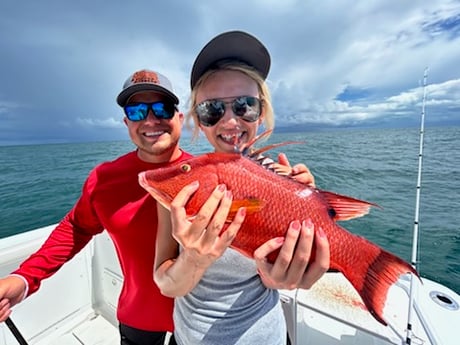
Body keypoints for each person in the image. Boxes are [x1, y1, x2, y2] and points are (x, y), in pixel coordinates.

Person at [153, 31, 330, 345]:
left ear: (261, 112)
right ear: (198, 120)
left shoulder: (285, 184)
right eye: (212, 110)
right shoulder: (181, 185)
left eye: (245, 106)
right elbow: (167, 285)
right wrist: (193, 259)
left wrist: (310, 212)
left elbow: (273, 278)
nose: (231, 122)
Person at [0, 69, 191, 345]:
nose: (151, 119)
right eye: (137, 111)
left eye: (162, 108)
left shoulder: (205, 175)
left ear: (179, 118)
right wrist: (25, 278)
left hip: (197, 318)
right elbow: (76, 228)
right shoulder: (105, 178)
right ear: (127, 122)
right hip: (138, 315)